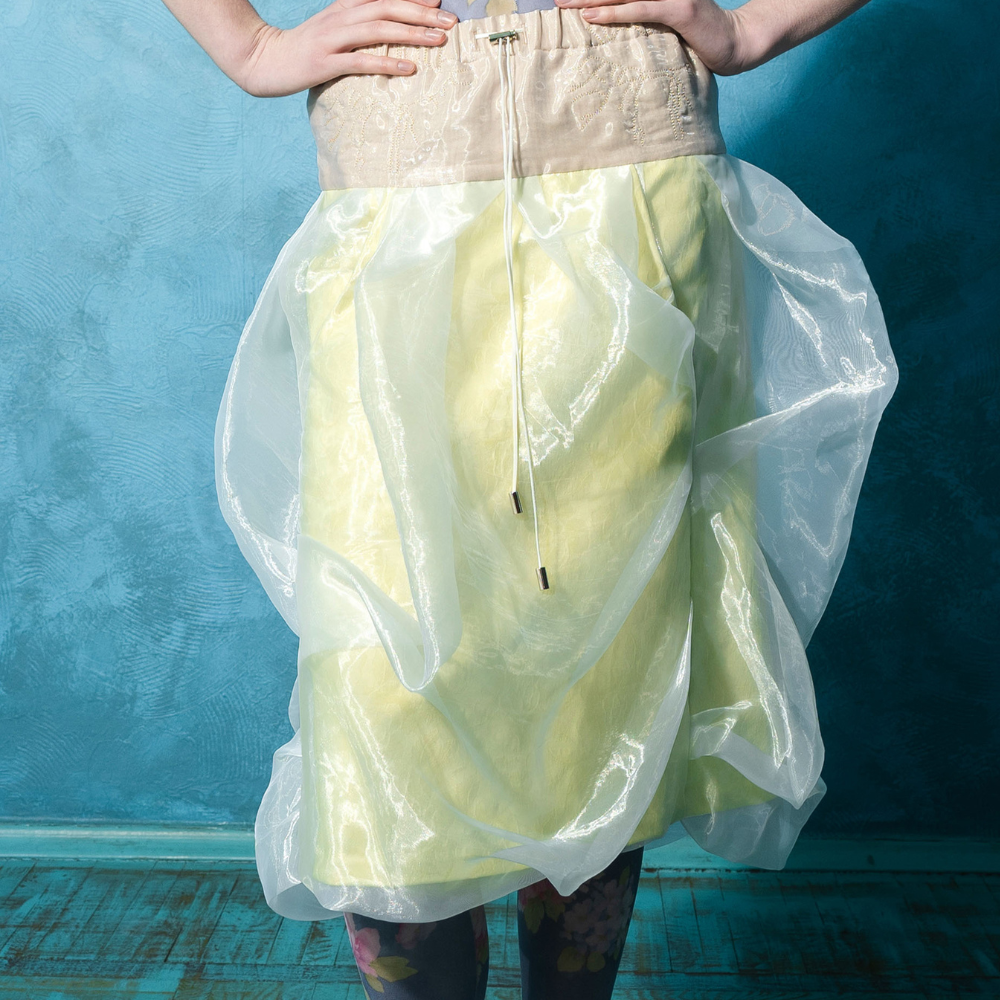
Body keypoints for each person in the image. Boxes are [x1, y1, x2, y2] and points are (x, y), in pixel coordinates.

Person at [161, 0, 898, 996]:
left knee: (603, 668)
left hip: (630, 160)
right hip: (397, 156)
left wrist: (753, 26)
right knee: (386, 681)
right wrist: (251, 48)